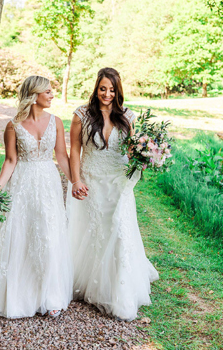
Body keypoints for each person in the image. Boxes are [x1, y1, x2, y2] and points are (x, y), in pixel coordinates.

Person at [67, 67, 158, 321]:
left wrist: (147, 155)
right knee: (96, 231)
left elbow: (132, 150)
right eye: (102, 88)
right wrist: (76, 180)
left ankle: (118, 291)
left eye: (112, 89)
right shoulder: (81, 116)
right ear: (96, 88)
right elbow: (74, 150)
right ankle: (92, 283)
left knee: (119, 230)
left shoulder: (127, 116)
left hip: (119, 181)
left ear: (118, 91)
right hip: (92, 180)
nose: (107, 94)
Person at [0, 75, 72, 319]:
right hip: (22, 183)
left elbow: (62, 157)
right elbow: (10, 160)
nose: (52, 95)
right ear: (34, 95)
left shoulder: (56, 122)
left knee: (48, 233)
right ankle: (21, 296)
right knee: (22, 234)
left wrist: (75, 181)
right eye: (47, 91)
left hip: (48, 182)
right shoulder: (13, 125)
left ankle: (50, 295)